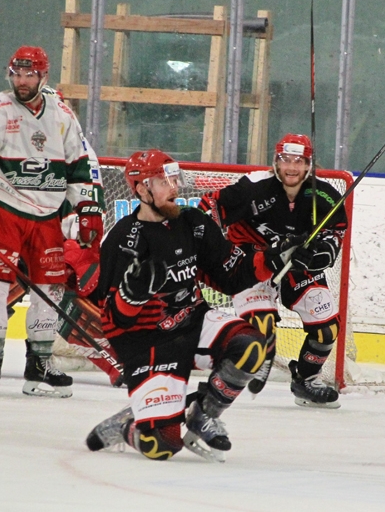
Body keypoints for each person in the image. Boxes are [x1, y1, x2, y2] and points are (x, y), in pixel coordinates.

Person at [85, 149, 273, 462]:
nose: (174, 187)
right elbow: (114, 321)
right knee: (162, 446)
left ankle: (202, 413)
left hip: (193, 323)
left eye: (174, 179)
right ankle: (127, 426)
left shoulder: (192, 222)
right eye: (163, 181)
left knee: (250, 346)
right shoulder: (122, 240)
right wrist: (131, 296)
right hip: (147, 345)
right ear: (142, 189)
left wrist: (273, 259)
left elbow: (230, 276)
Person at [0, 45, 103, 398]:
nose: (22, 81)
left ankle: (40, 362)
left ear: (43, 76)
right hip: (3, 213)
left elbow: (78, 166)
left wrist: (88, 208)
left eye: (29, 75)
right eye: (17, 74)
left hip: (48, 217)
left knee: (50, 289)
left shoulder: (63, 114)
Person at [198, 133, 347, 408]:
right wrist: (214, 246)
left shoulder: (325, 195)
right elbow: (209, 207)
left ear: (309, 165)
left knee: (327, 330)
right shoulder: (254, 186)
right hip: (253, 262)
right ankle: (254, 358)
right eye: (285, 160)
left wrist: (316, 256)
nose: (291, 167)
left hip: (297, 265)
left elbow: (334, 237)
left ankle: (306, 380)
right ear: (275, 162)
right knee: (261, 326)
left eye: (298, 161)